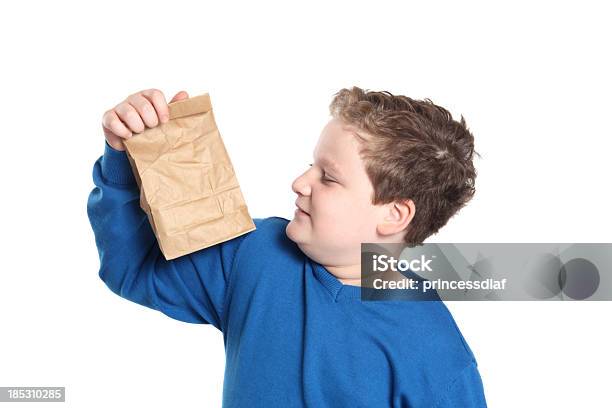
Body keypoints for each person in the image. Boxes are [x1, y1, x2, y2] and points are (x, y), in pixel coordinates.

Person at [87, 86, 487, 407]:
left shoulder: (435, 356)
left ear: (394, 215)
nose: (300, 181)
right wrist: (124, 159)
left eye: (328, 177)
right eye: (311, 164)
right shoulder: (255, 254)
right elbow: (132, 268)